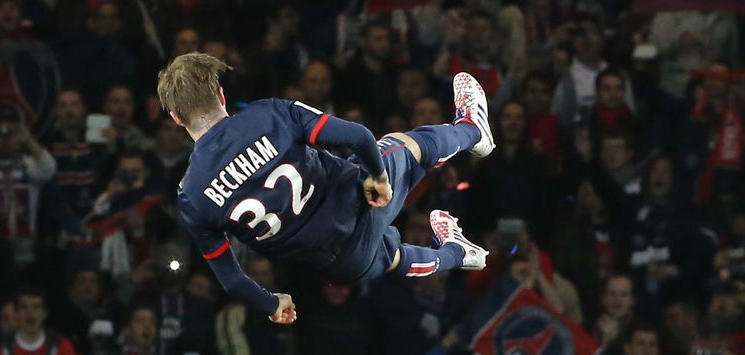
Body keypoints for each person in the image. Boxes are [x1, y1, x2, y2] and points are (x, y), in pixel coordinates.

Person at [159, 52, 495, 324]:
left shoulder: (191, 195)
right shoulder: (269, 114)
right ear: (221, 94)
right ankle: (472, 130)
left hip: (337, 266)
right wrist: (377, 176)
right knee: (400, 145)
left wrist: (270, 303)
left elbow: (232, 280)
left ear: (176, 117)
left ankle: (459, 254)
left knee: (391, 257)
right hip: (358, 204)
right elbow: (358, 136)